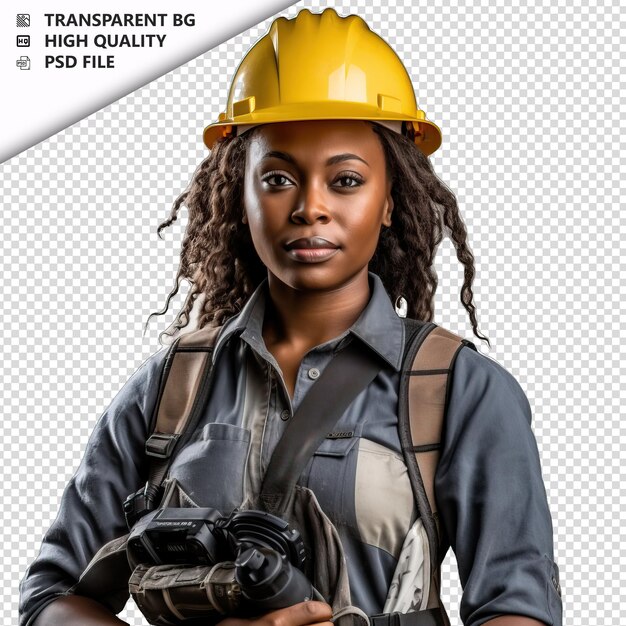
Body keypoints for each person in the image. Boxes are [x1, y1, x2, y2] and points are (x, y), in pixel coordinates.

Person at [18, 8, 562, 626]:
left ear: (390, 201)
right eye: (277, 178)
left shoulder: (459, 390)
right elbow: (52, 600)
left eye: (347, 180)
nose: (311, 207)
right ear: (239, 197)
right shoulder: (171, 387)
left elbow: (518, 611)